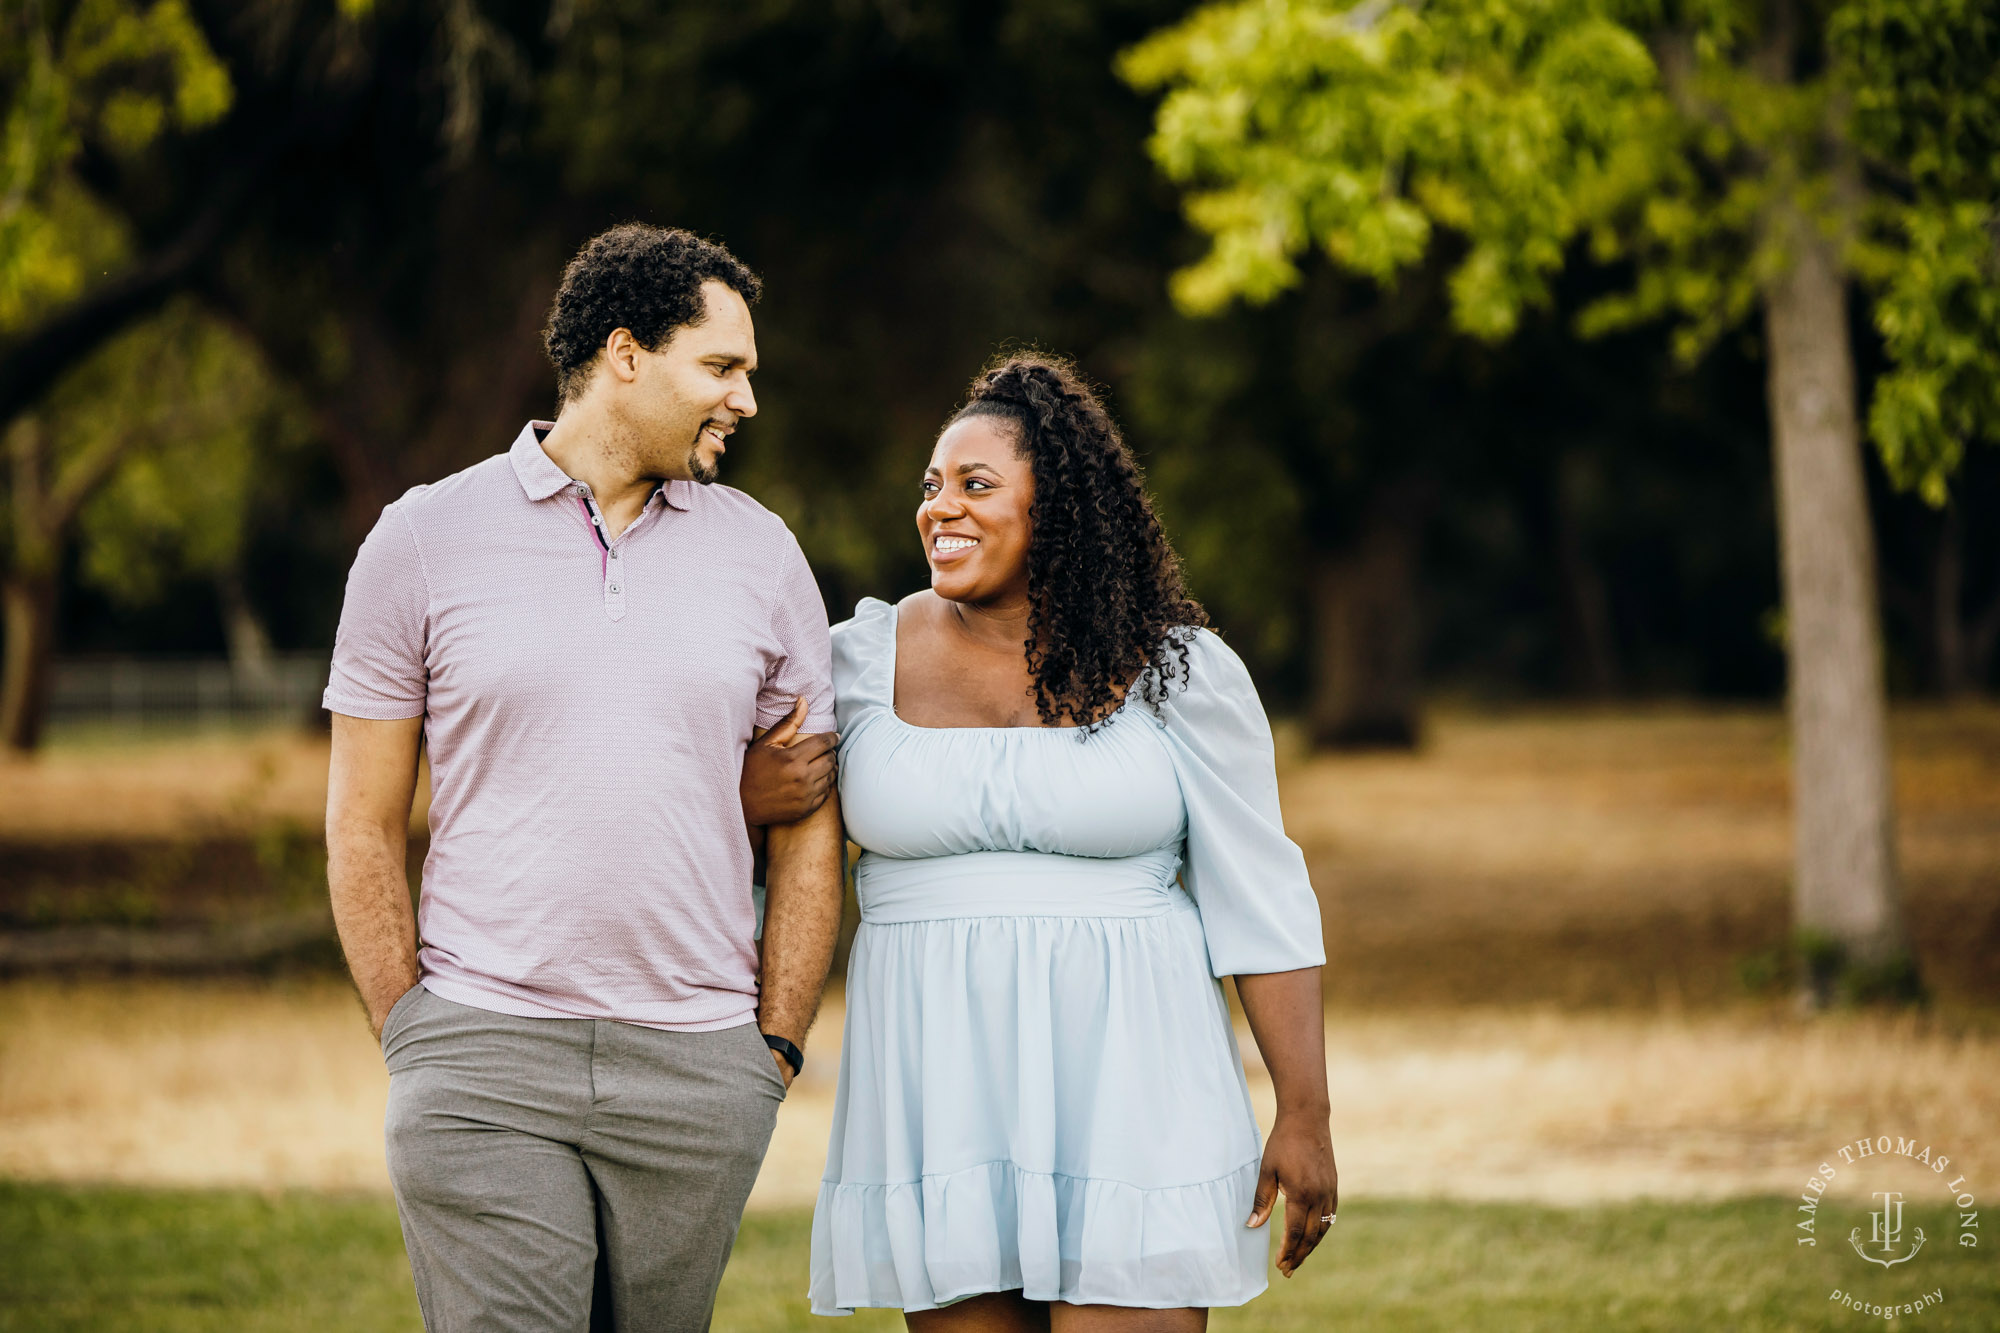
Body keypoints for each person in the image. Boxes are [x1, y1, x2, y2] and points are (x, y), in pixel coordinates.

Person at [322, 224, 844, 1333]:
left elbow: (808, 820)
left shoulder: (763, 556)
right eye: (722, 367)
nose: (746, 399)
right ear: (623, 354)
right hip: (482, 1052)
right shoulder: (420, 541)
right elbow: (361, 823)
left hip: (698, 1068)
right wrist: (413, 1030)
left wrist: (774, 1047)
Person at [810, 355, 1338, 1329]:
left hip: (1137, 1078)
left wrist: (1303, 1114)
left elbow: (1258, 897)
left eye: (975, 485)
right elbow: (763, 828)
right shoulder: (851, 662)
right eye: (930, 486)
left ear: (1057, 508)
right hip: (940, 1092)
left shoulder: (1177, 668)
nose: (939, 508)